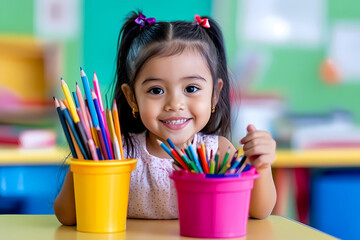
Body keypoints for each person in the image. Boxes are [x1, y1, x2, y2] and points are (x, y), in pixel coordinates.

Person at [53, 10, 277, 225]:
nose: (174, 104)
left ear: (215, 94)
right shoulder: (116, 152)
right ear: (132, 98)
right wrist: (86, 161)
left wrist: (263, 166)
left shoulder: (218, 152)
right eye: (156, 91)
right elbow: (67, 216)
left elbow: (258, 212)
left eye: (191, 88)